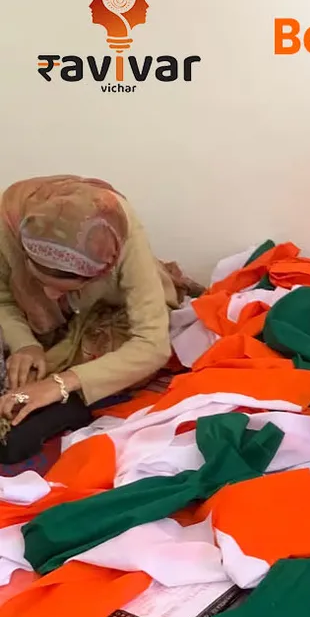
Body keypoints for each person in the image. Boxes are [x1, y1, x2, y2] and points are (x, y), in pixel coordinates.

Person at [0, 175, 200, 464]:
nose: (51, 295)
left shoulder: (118, 233)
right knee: (23, 362)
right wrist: (24, 345)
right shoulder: (10, 218)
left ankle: (64, 407)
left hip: (110, 313)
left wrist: (60, 383)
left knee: (116, 353)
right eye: (40, 280)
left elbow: (152, 344)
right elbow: (4, 297)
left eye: (67, 288)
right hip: (38, 319)